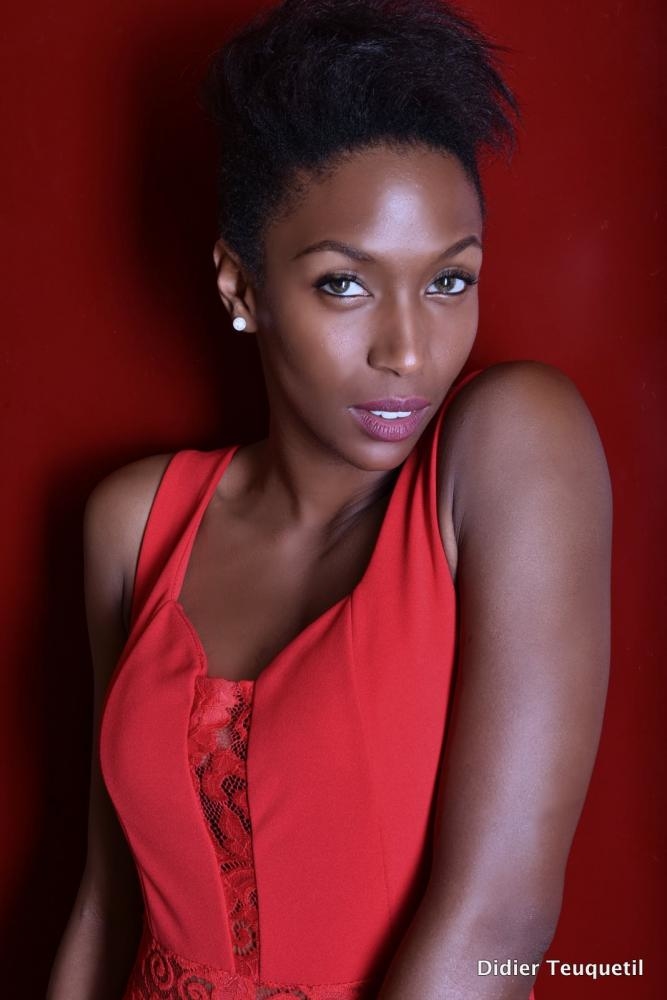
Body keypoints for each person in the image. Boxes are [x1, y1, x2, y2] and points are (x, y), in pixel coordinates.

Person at [47, 1, 612, 998]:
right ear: (243, 287)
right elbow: (105, 899)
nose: (408, 350)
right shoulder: (133, 523)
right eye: (345, 284)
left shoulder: (509, 448)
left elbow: (501, 920)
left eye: (449, 280)